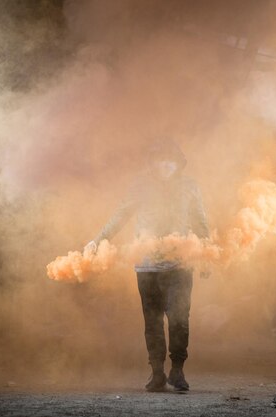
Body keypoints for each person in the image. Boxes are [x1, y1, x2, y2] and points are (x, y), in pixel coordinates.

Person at [84, 139, 209, 392]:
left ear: (177, 163)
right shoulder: (140, 186)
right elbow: (121, 214)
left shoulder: (189, 187)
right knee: (152, 321)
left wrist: (205, 255)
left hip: (181, 265)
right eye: (159, 160)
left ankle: (177, 370)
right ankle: (157, 373)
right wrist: (97, 240)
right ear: (152, 163)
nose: (164, 165)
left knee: (179, 319)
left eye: (169, 160)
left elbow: (200, 222)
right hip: (148, 267)